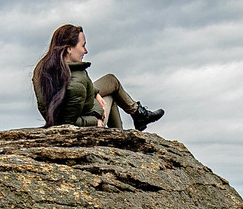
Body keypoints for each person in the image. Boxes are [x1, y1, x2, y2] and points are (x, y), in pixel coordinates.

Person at [31, 24, 164, 130]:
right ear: (69, 48)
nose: (86, 51)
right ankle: (122, 134)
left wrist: (95, 93)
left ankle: (137, 115)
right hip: (86, 122)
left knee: (111, 81)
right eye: (82, 46)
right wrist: (96, 122)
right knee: (112, 95)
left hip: (79, 109)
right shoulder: (75, 83)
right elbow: (67, 123)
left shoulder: (43, 68)